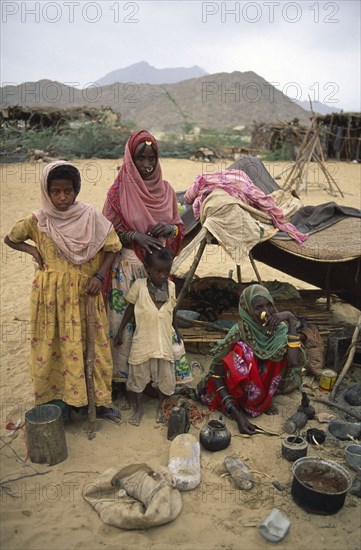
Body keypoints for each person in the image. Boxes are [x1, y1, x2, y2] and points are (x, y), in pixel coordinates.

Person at [4, 161, 122, 424]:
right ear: (47, 191)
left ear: (76, 190)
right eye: (55, 191)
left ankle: (99, 402)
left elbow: (113, 246)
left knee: (92, 346)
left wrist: (100, 275)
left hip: (84, 294)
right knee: (53, 346)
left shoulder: (91, 217)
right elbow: (11, 238)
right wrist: (33, 250)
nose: (62, 198)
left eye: (68, 191)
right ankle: (59, 403)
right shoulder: (38, 220)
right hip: (50, 299)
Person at [102, 130, 185, 406]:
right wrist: (134, 236)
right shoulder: (118, 191)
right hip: (127, 272)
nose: (147, 164)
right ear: (130, 159)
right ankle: (122, 384)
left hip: (157, 274)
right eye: (141, 158)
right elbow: (107, 230)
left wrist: (170, 228)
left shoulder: (167, 190)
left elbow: (179, 228)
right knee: (124, 327)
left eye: (152, 157)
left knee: (154, 326)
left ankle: (149, 381)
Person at [196, 284, 306, 434]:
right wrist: (237, 415)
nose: (266, 312)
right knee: (242, 350)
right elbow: (217, 374)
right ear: (247, 309)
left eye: (269, 305)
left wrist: (290, 319)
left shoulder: (279, 330)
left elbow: (294, 361)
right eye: (259, 307)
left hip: (263, 388)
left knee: (280, 352)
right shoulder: (241, 331)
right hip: (239, 393)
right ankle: (245, 404)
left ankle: (263, 401)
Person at [114, 248, 180, 426]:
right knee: (138, 376)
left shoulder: (171, 287)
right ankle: (139, 409)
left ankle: (161, 406)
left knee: (164, 376)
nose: (162, 275)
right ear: (148, 269)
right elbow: (129, 309)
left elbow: (173, 310)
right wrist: (120, 330)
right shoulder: (140, 286)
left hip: (163, 341)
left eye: (166, 271)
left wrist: (177, 332)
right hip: (142, 340)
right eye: (158, 271)